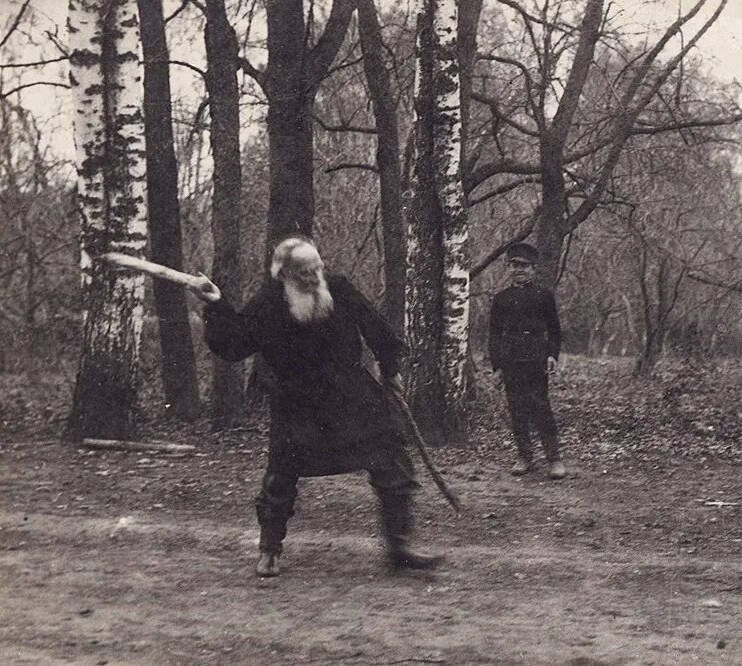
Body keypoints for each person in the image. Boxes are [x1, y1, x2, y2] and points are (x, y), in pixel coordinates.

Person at [187, 236, 443, 577]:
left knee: (391, 459)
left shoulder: (339, 289)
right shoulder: (269, 302)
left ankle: (400, 549)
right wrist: (216, 303)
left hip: (351, 395)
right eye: (304, 271)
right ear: (283, 274)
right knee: (281, 476)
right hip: (298, 402)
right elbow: (235, 344)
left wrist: (390, 368)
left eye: (317, 268)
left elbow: (376, 328)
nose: (313, 276)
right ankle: (269, 550)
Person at [487, 242, 566, 479]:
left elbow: (555, 330)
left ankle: (554, 458)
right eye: (514, 265)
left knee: (541, 407)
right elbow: (494, 335)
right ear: (508, 268)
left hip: (536, 358)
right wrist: (497, 366)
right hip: (511, 360)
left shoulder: (543, 296)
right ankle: (524, 456)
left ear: (533, 269)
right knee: (516, 408)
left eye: (523, 266)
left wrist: (552, 355)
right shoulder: (501, 299)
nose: (518, 270)